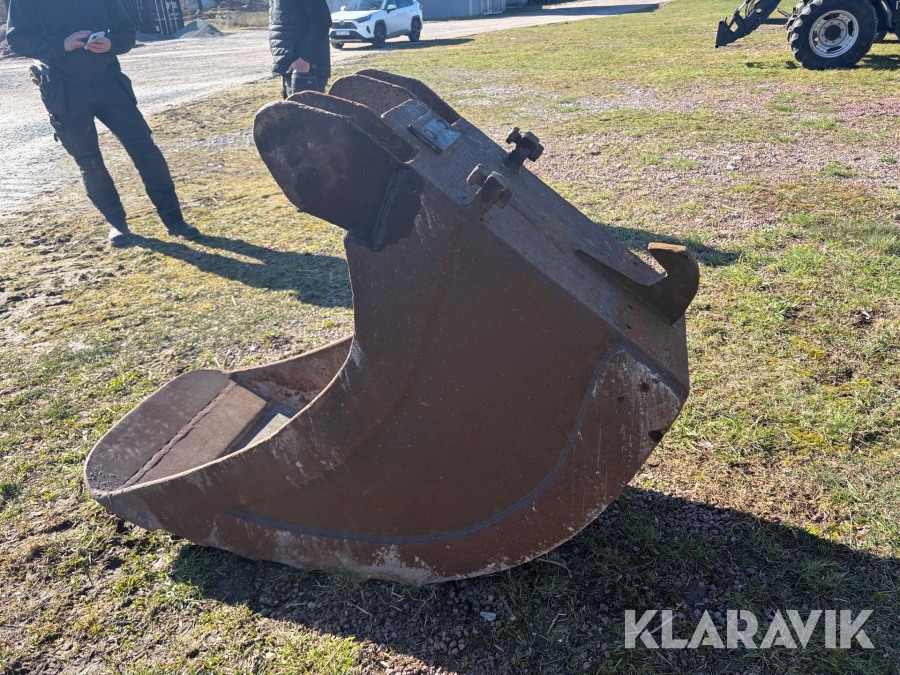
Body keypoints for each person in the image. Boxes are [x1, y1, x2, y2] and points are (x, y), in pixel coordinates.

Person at [6, 0, 199, 247]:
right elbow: (18, 39)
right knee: (89, 160)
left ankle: (175, 220)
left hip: (110, 83)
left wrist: (111, 43)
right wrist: (61, 44)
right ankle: (118, 224)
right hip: (64, 89)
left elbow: (126, 32)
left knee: (146, 150)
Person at [269, 0, 332, 98]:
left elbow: (322, 20)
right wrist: (283, 64)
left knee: (308, 108)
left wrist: (305, 59)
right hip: (292, 67)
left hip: (306, 69)